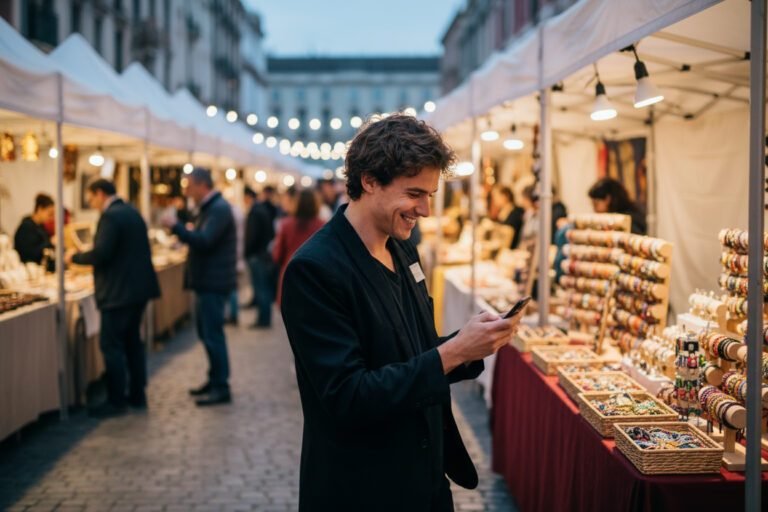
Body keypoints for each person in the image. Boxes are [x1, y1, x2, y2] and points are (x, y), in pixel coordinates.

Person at [280, 114, 521, 511]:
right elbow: (349, 396)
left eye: (430, 194)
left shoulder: (401, 248)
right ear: (369, 181)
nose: (425, 209)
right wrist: (456, 351)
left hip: (425, 479)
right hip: (364, 487)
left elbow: (413, 352)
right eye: (415, 194)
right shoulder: (315, 270)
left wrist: (471, 345)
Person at [65, 180, 160, 418]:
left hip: (119, 293)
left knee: (112, 345)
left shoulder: (111, 217)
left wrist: (75, 258)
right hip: (137, 290)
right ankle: (137, 393)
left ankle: (117, 400)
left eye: (91, 198)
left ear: (100, 193)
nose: (92, 204)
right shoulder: (131, 212)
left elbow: (102, 253)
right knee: (132, 343)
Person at [165, 168, 236, 406]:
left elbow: (205, 241)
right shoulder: (212, 208)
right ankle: (214, 378)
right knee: (206, 333)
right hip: (208, 280)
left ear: (201, 185)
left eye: (189, 186)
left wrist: (177, 227)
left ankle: (221, 385)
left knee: (212, 334)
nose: (186, 191)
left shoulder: (218, 209)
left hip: (213, 282)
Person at [272, 188, 324, 305]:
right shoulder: (323, 225)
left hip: (289, 273)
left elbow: (277, 255)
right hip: (315, 276)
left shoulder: (286, 224)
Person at [244, 186, 275, 328]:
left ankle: (263, 319)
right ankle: (264, 317)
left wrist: (247, 251)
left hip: (257, 254)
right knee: (263, 287)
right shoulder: (261, 210)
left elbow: (252, 236)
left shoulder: (255, 212)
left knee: (261, 287)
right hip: (263, 253)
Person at [14, 193, 55, 268]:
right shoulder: (26, 227)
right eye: (50, 214)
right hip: (28, 269)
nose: (51, 217)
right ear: (40, 209)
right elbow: (29, 254)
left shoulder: (41, 227)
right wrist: (50, 242)